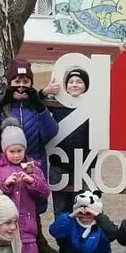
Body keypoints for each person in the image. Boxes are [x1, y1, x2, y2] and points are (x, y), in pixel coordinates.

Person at [0, 59, 59, 180]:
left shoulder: (36, 108)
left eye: (25, 82)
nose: (21, 86)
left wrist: (39, 105)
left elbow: (51, 132)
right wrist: (0, 104)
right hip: (4, 171)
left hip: (33, 170)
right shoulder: (2, 109)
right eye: (17, 81)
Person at [0, 119, 50, 253]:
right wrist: (6, 184)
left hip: (28, 225)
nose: (16, 155)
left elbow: (44, 192)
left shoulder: (33, 168)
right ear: (5, 150)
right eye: (12, 151)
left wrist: (32, 181)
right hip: (5, 225)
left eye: (20, 151)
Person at [45, 67, 92, 216]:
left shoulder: (93, 106)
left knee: (86, 207)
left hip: (84, 164)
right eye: (70, 82)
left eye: (79, 81)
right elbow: (35, 103)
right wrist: (46, 91)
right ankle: (62, 239)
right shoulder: (56, 105)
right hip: (59, 165)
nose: (74, 84)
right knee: (61, 208)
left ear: (86, 86)